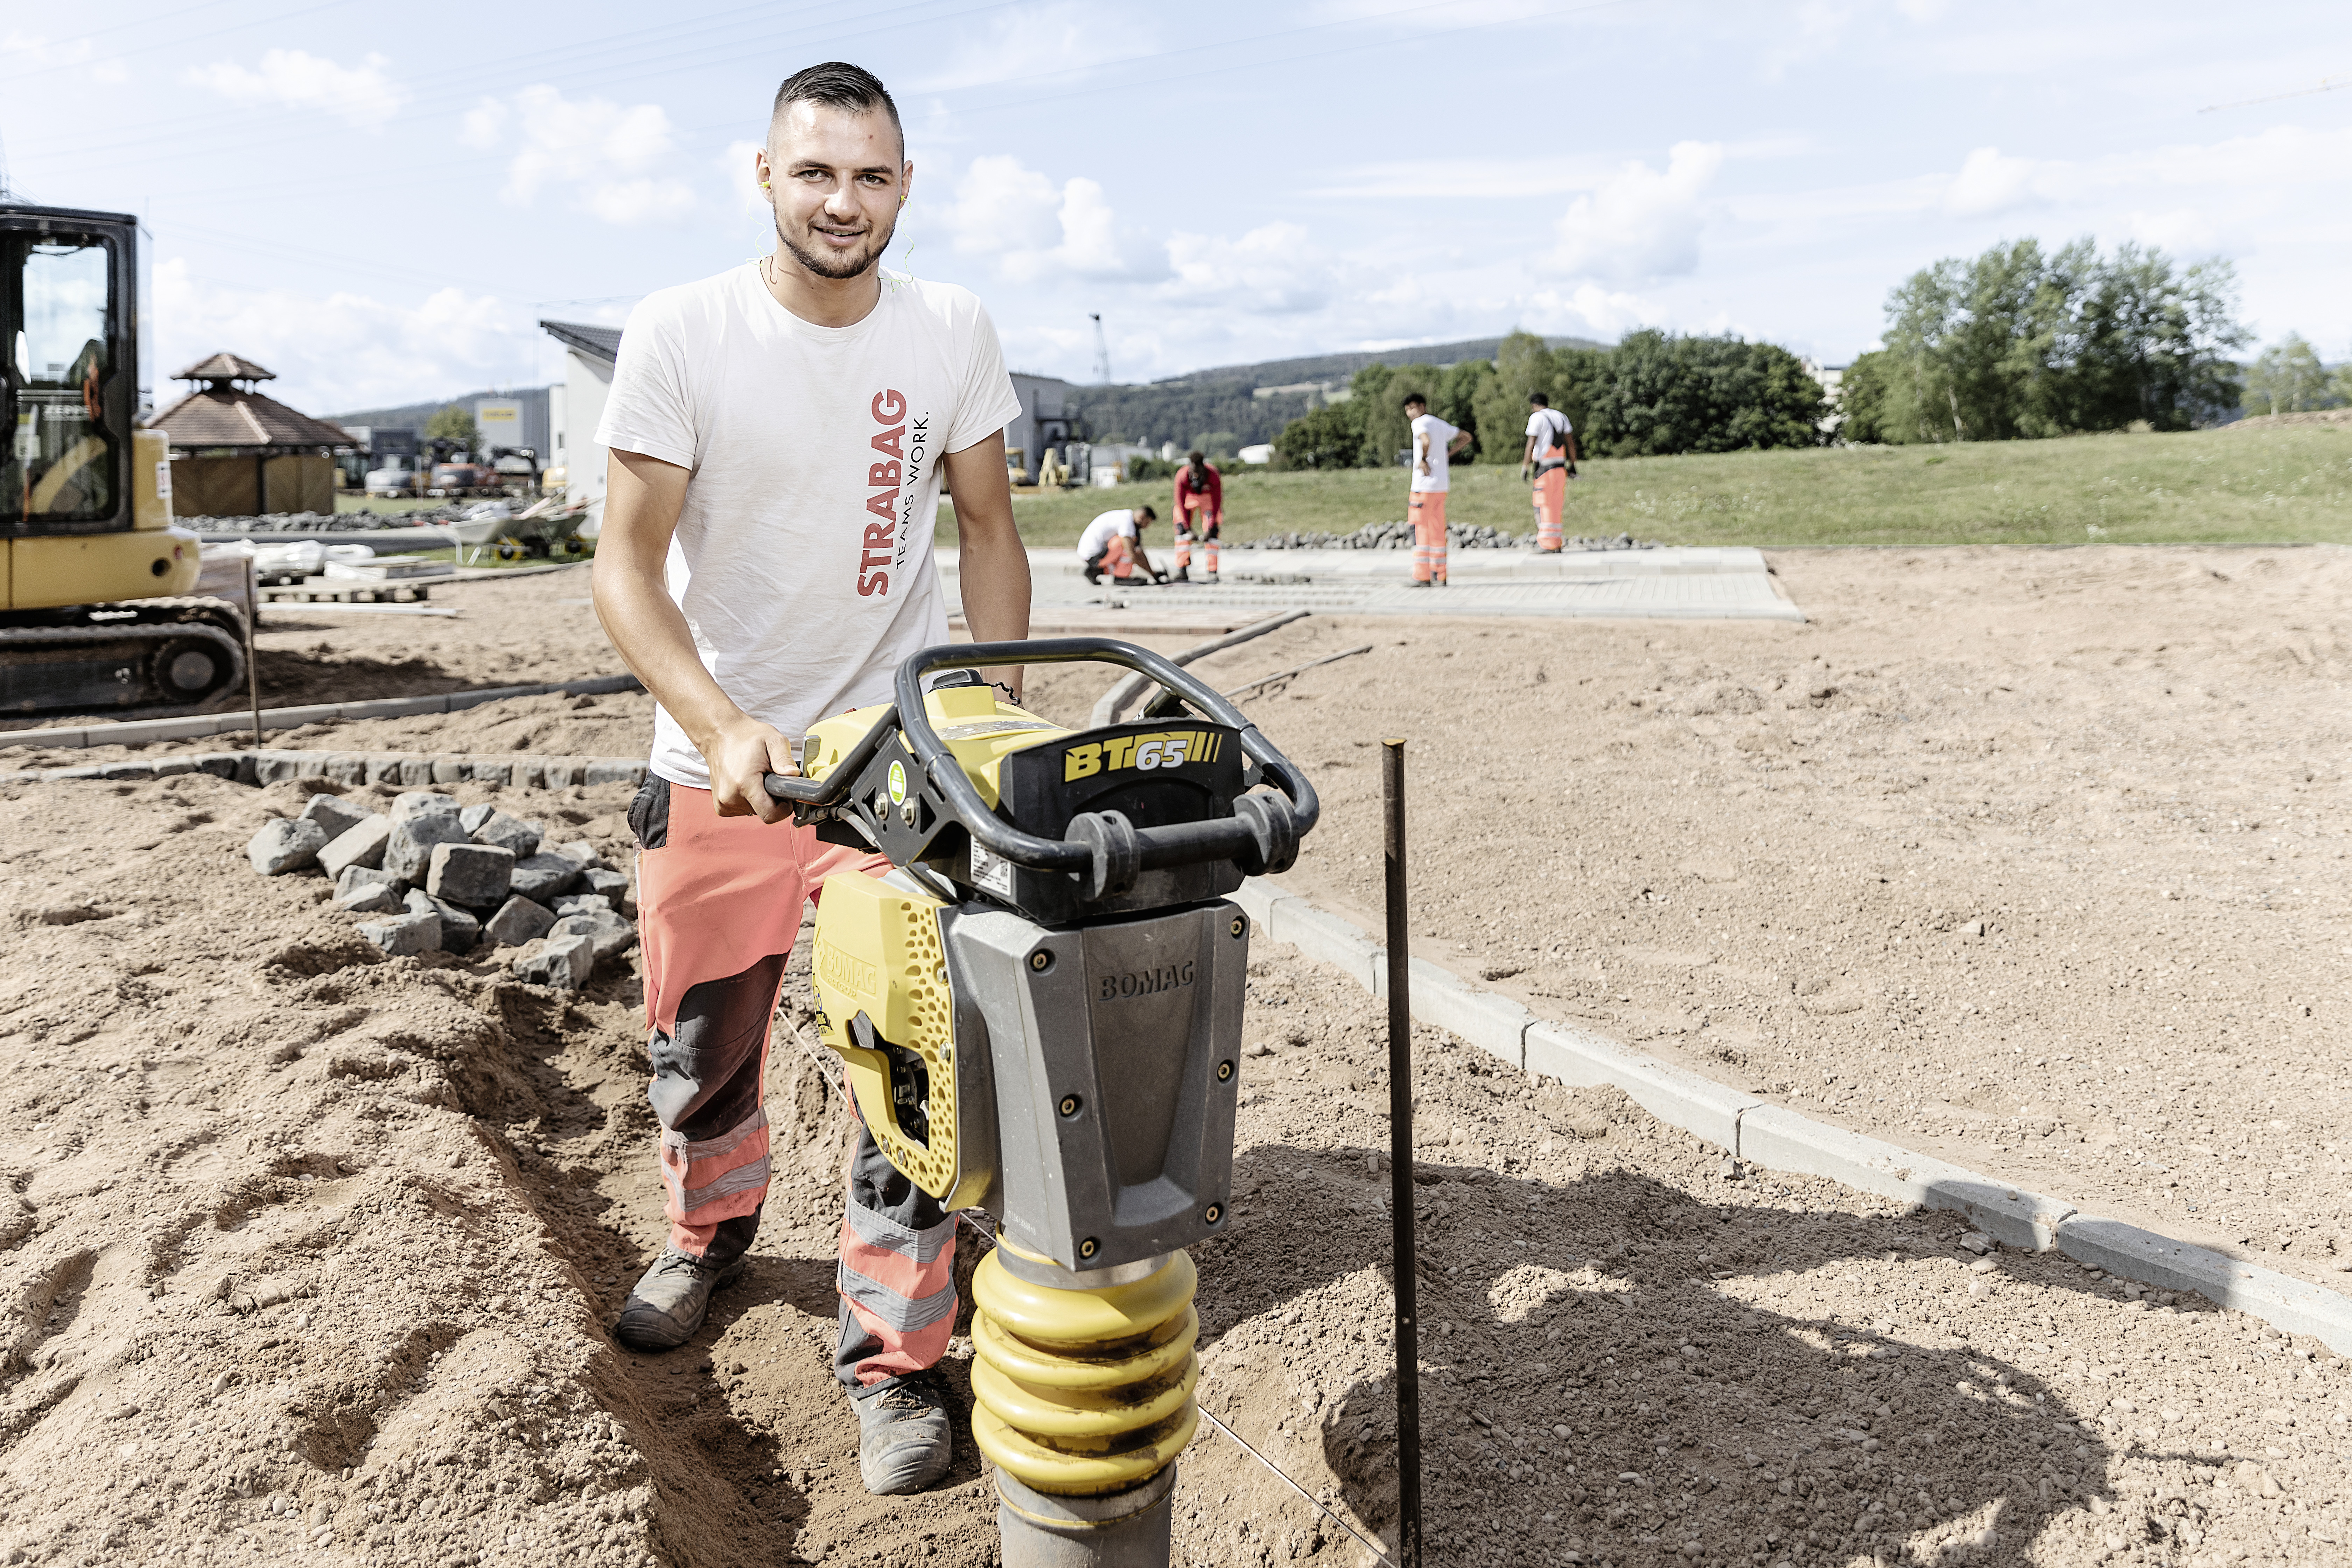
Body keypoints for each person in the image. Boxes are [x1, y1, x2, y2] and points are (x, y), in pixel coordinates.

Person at [588, 61, 1031, 1500]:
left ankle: (895, 1360)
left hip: (884, 771)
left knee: (910, 1068)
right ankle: (709, 1236)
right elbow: (625, 566)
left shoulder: (951, 329)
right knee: (699, 1051)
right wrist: (719, 723)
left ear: (908, 184)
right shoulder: (684, 334)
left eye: (873, 175)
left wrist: (986, 707)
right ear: (763, 177)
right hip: (715, 767)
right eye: (816, 173)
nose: (844, 202)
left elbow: (985, 527)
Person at [1402, 392, 1468, 586]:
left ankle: (1422, 576)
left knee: (1421, 529)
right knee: (1438, 529)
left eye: (1412, 408)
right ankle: (1440, 574)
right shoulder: (1440, 424)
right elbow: (1466, 437)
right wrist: (1448, 454)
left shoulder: (1419, 423)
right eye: (1407, 410)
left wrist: (1422, 459)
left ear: (1422, 407)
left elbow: (1425, 441)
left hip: (1423, 486)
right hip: (1441, 486)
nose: (1410, 414)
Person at [1520, 391, 1578, 552]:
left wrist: (1525, 467)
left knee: (1542, 505)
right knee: (1556, 505)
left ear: (1534, 406)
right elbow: (1571, 444)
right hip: (1561, 469)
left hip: (1545, 469)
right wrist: (1573, 464)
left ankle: (1547, 545)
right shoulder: (1561, 416)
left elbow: (1531, 443)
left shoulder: (1536, 418)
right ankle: (1556, 543)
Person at [1170, 449, 1223, 582]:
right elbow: (1180, 501)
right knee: (1181, 530)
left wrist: (1211, 527)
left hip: (1208, 499)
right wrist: (1187, 528)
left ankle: (1212, 570)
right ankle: (1182, 568)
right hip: (1189, 498)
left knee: (1213, 533)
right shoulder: (1182, 476)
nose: (1196, 475)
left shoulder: (1213, 475)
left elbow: (1217, 500)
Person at [1077, 504, 1163, 583]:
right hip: (1094, 556)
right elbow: (1133, 555)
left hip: (1093, 555)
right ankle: (1121, 577)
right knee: (1126, 545)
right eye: (1147, 523)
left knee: (1127, 547)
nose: (1146, 527)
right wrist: (1153, 574)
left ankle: (1094, 572)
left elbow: (1140, 552)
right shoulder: (1127, 522)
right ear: (1142, 517)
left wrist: (1153, 573)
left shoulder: (1126, 517)